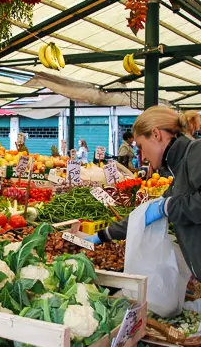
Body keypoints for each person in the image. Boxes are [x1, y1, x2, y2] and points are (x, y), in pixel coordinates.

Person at [85, 106, 201, 280]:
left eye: (141, 146)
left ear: (156, 134)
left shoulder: (196, 152)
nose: (143, 156)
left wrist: (167, 206)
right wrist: (103, 235)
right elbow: (145, 214)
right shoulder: (178, 172)